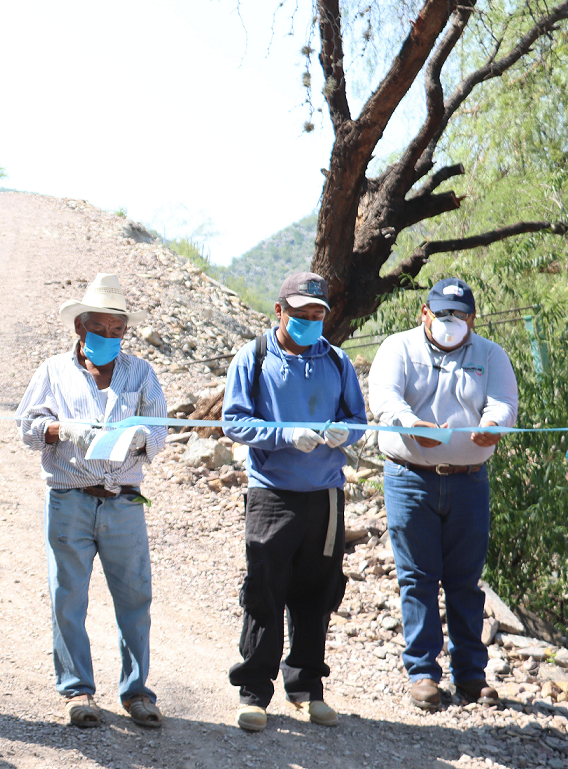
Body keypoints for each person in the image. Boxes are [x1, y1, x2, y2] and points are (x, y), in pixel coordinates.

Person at [15, 273, 169, 728]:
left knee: (135, 596)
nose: (108, 337)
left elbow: (160, 434)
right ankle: (77, 691)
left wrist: (138, 437)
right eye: (99, 329)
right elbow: (26, 428)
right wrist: (62, 430)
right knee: (69, 596)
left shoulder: (141, 373)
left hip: (124, 500)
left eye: (117, 331)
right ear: (79, 326)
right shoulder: (52, 371)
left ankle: (137, 693)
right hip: (70, 499)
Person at [222, 271, 367, 732]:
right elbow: (234, 422)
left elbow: (359, 420)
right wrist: (285, 435)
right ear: (280, 311)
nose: (309, 322)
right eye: (301, 314)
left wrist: (348, 432)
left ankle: (306, 689)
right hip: (271, 492)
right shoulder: (255, 357)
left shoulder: (339, 362)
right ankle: (254, 692)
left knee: (317, 592)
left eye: (317, 315)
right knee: (265, 588)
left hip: (324, 495)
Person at [369, 278, 518, 711]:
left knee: (465, 582)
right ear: (425, 313)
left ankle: (471, 675)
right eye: (443, 314)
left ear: (473, 319)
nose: (451, 323)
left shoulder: (491, 355)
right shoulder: (398, 348)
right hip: (410, 479)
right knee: (417, 578)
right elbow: (384, 399)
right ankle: (422, 673)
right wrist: (411, 424)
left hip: (469, 481)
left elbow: (504, 404)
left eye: (461, 316)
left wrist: (492, 426)